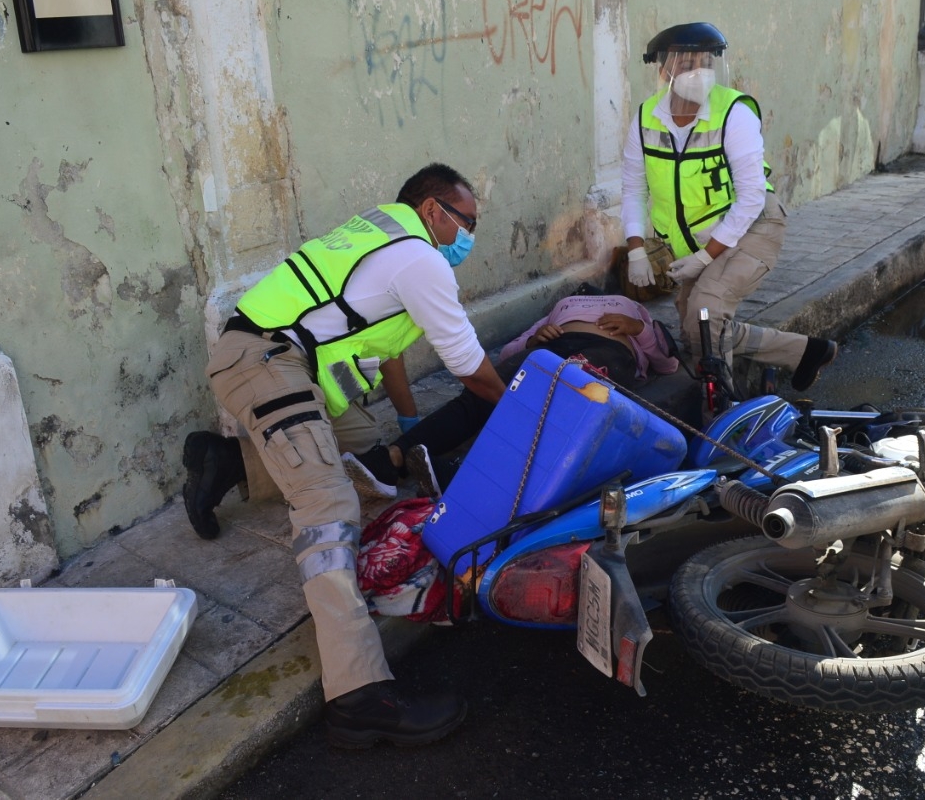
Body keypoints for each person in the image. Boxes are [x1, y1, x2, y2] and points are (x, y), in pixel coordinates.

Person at [180, 162, 506, 748]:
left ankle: (229, 464)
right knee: (328, 504)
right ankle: (358, 695)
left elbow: (391, 349)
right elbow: (464, 359)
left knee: (369, 473)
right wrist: (521, 411)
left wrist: (407, 425)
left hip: (284, 363)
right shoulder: (421, 257)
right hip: (266, 361)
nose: (471, 236)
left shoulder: (385, 237)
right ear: (434, 211)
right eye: (468, 221)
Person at [618, 22, 837, 395]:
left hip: (755, 226)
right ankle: (805, 352)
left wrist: (705, 258)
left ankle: (723, 413)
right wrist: (636, 248)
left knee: (705, 312)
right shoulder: (645, 119)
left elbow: (751, 195)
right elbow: (634, 188)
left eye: (705, 62)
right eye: (687, 64)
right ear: (664, 70)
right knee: (696, 331)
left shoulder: (734, 113)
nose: (699, 72)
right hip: (705, 240)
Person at [349, 291, 681, 498]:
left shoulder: (636, 311)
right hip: (549, 349)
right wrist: (535, 339)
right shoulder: (565, 303)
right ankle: (391, 458)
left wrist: (638, 329)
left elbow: (666, 364)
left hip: (605, 353)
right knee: (479, 396)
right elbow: (510, 351)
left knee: (550, 413)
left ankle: (459, 471)